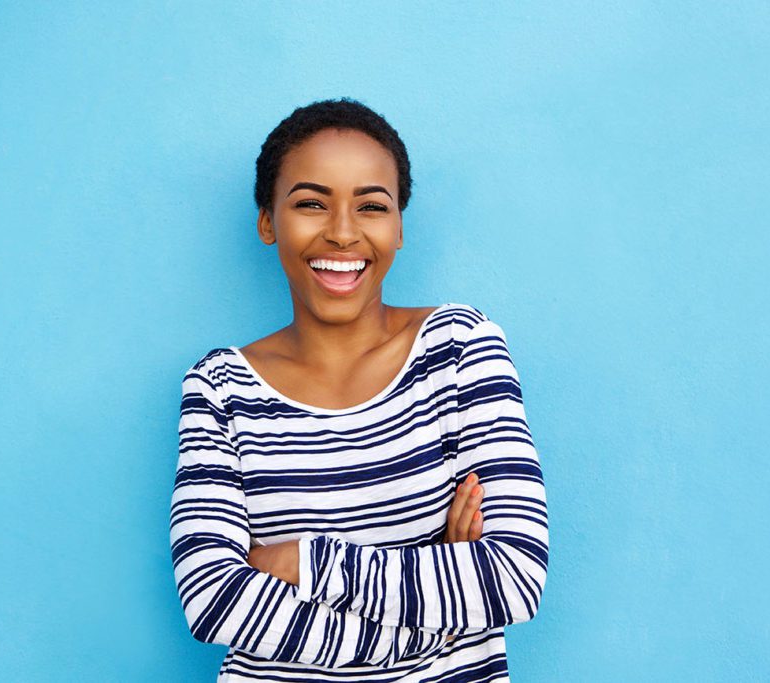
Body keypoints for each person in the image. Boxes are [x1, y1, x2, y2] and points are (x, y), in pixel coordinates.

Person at [169, 98, 549, 682]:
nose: (343, 232)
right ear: (269, 220)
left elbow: (514, 578)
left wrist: (302, 561)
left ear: (398, 227)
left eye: (372, 206)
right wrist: (436, 615)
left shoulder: (459, 348)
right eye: (311, 203)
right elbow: (213, 599)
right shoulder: (220, 388)